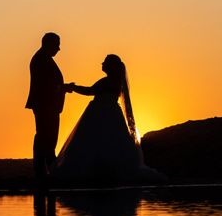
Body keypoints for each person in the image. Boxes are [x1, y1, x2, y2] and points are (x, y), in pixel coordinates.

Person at [54, 54, 165, 184]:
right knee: (109, 141)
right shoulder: (114, 81)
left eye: (105, 62)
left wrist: (72, 87)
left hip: (100, 112)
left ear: (110, 66)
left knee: (94, 141)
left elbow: (90, 91)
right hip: (111, 113)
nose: (102, 64)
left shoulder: (107, 81)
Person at [26, 33, 67, 184]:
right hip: (45, 105)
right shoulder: (41, 60)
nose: (59, 49)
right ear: (48, 44)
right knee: (45, 136)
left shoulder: (43, 59)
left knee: (47, 136)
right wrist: (63, 87)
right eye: (57, 45)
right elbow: (45, 85)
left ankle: (46, 168)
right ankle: (44, 169)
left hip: (48, 105)